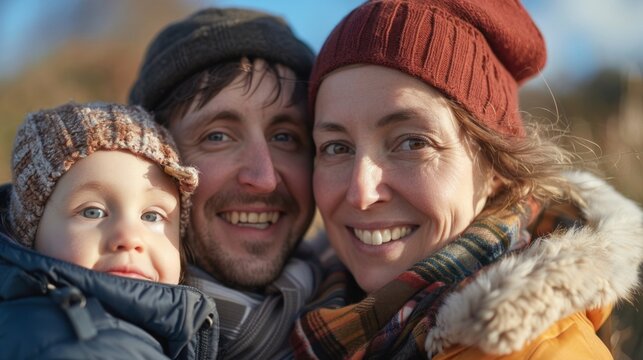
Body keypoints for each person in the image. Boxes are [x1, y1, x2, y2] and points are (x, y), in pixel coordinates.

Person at [291, 0, 643, 358]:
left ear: (494, 167)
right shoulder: (302, 311)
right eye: (336, 147)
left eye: (413, 143)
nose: (361, 193)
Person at [128, 8, 324, 358]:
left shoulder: (374, 322)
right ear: (153, 159)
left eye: (285, 137)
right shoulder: (75, 330)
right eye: (218, 136)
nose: (264, 179)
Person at [0, 102, 218, 359]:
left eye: (152, 216)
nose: (129, 238)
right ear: (28, 234)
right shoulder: (77, 341)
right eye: (93, 212)